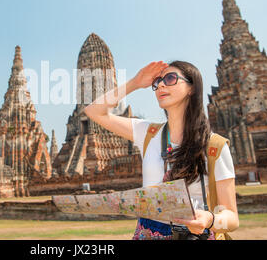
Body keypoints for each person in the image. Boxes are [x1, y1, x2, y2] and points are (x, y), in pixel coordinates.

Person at [84, 60, 239, 240]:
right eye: (157, 83)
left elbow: (232, 218)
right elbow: (94, 112)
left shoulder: (214, 146)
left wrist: (210, 219)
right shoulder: (148, 133)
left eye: (171, 78)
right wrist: (136, 82)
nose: (161, 86)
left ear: (192, 88)